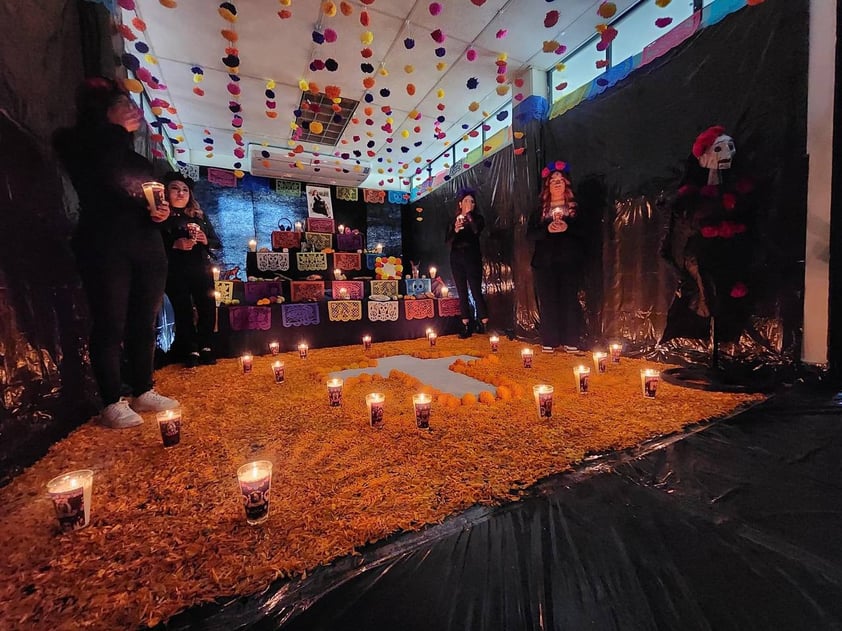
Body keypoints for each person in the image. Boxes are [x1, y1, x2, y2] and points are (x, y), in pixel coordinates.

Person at [53, 76, 180, 429]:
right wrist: (117, 131)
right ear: (102, 110)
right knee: (111, 321)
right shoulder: (75, 143)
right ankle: (111, 399)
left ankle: (143, 387)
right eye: (124, 105)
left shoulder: (137, 159)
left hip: (146, 243)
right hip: (104, 243)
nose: (133, 111)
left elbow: (147, 198)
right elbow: (102, 172)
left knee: (145, 320)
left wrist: (162, 214)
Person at [161, 171, 221, 367]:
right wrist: (174, 245)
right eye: (175, 189)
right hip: (175, 271)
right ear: (165, 192)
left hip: (200, 268)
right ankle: (190, 349)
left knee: (207, 306)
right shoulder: (161, 216)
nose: (181, 193)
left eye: (185, 190)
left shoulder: (199, 217)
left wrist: (205, 240)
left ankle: (207, 346)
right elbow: (152, 245)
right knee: (183, 309)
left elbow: (216, 242)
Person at [527, 161, 585, 353]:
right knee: (548, 300)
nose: (557, 183)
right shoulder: (539, 211)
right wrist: (547, 229)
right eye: (553, 180)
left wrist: (568, 227)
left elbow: (586, 232)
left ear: (566, 184)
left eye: (560, 180)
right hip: (545, 262)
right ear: (548, 187)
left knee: (569, 299)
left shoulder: (576, 208)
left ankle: (571, 340)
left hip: (569, 261)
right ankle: (550, 340)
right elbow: (530, 235)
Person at [445, 189, 489, 338]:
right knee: (461, 291)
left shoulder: (478, 219)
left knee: (476, 290)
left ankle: (484, 322)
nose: (469, 203)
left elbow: (477, 230)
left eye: (472, 201)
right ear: (460, 203)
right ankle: (465, 324)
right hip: (456, 258)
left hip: (472, 258)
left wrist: (469, 216)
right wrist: (455, 230)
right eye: (466, 201)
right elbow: (448, 242)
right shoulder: (453, 221)